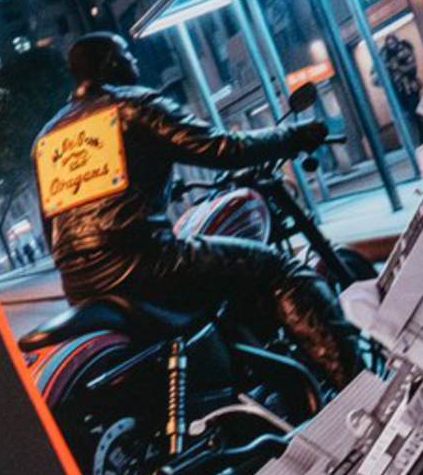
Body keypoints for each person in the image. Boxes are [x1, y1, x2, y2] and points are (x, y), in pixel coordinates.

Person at [32, 32, 366, 390]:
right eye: (127, 55)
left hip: (81, 284)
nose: (136, 62)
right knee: (276, 267)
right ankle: (362, 391)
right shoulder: (134, 105)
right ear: (111, 63)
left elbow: (52, 224)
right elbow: (224, 147)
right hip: (145, 265)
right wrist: (294, 135)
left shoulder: (47, 139)